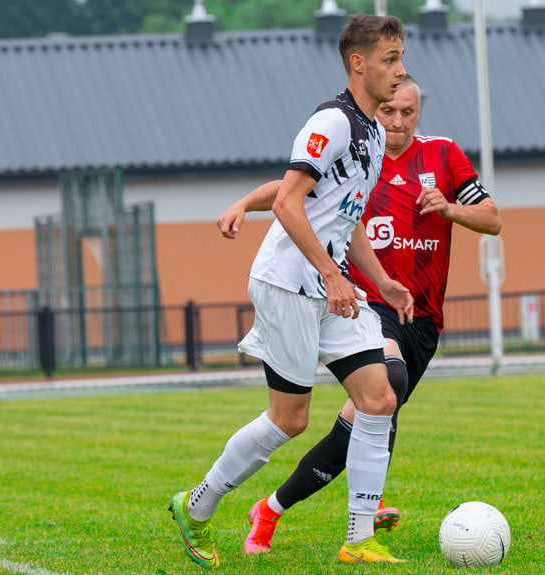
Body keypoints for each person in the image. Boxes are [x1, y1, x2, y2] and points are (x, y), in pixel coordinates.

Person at [217, 74, 502, 555]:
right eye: (390, 111)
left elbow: (492, 219)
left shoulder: (444, 155)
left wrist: (450, 210)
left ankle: (270, 510)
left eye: (407, 113)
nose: (396, 121)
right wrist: (245, 203)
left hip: (422, 314)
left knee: (361, 422)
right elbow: (291, 190)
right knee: (383, 386)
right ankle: (363, 521)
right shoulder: (358, 146)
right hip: (365, 301)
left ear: (418, 112)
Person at [169, 14, 412, 568]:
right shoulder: (332, 120)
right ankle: (196, 505)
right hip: (288, 284)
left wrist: (381, 281)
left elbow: (342, 217)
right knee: (289, 419)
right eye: (390, 59)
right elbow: (288, 200)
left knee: (379, 397)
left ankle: (359, 539)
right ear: (359, 63)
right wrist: (332, 274)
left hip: (332, 286)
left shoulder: (373, 131)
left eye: (400, 58)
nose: (400, 70)